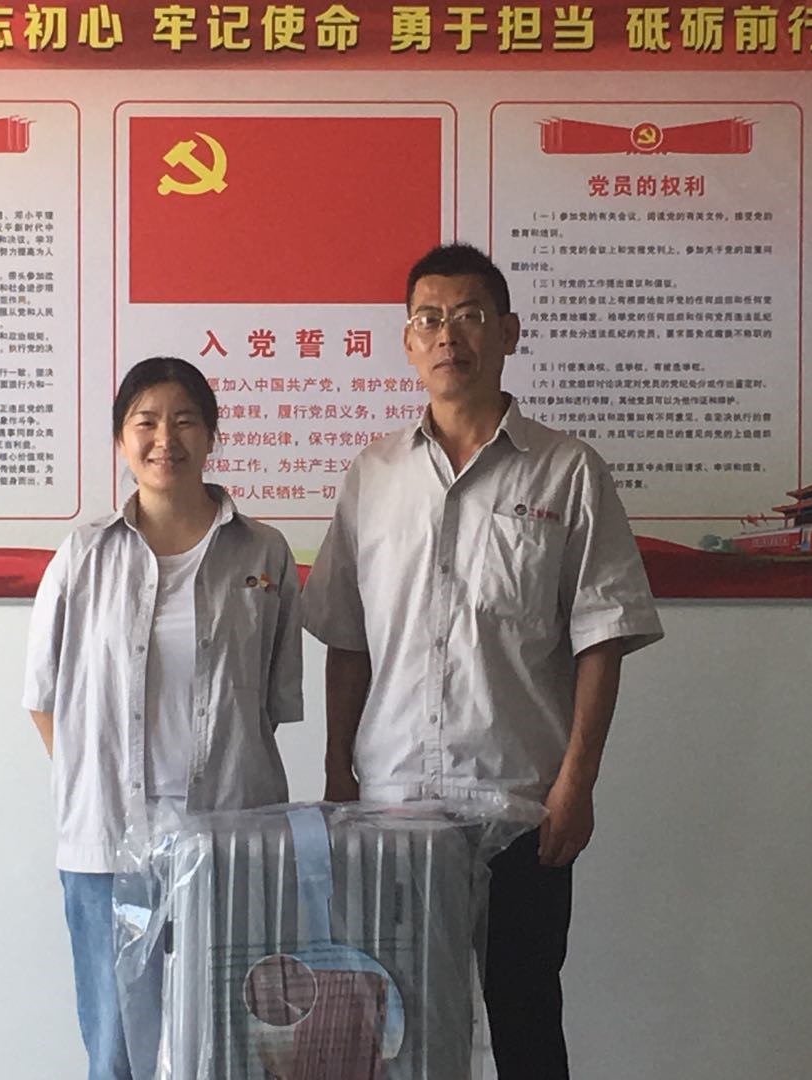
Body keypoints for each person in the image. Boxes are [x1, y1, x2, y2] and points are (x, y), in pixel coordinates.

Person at [300, 243, 663, 1078]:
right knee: (397, 1032)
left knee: (527, 1026)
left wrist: (577, 783)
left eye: (468, 316)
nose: (448, 335)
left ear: (508, 331)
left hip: (521, 805)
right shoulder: (372, 476)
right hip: (393, 806)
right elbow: (348, 639)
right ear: (407, 340)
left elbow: (602, 638)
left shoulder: (567, 472)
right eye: (429, 319)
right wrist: (336, 775)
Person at [23, 356, 302, 1080]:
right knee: (117, 1052)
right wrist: (101, 785)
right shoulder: (84, 555)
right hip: (106, 848)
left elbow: (271, 702)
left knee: (229, 1045)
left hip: (232, 841)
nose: (164, 439)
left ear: (211, 434)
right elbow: (44, 698)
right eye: (144, 422)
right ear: (121, 440)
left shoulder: (263, 552)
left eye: (184, 421)